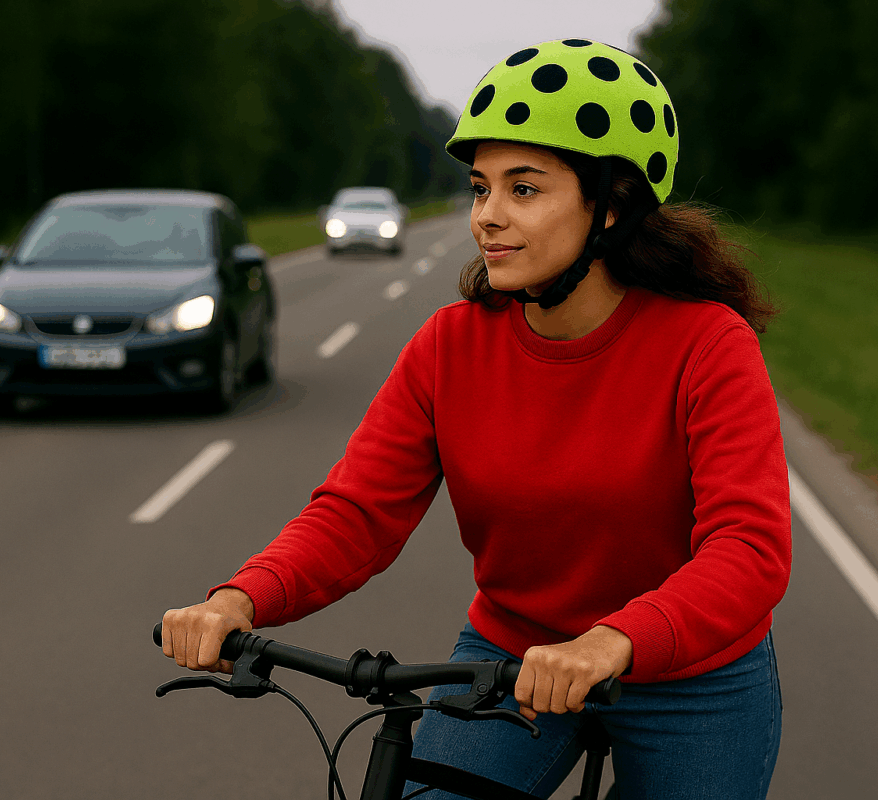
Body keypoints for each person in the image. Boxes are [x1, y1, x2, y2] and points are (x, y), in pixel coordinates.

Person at [161, 38, 790, 799]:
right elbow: (358, 513)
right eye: (479, 188)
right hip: (512, 654)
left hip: (694, 673)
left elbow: (748, 548)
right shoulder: (448, 346)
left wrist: (613, 640)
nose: (487, 218)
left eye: (524, 190)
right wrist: (240, 597)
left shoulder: (706, 344)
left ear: (612, 206)